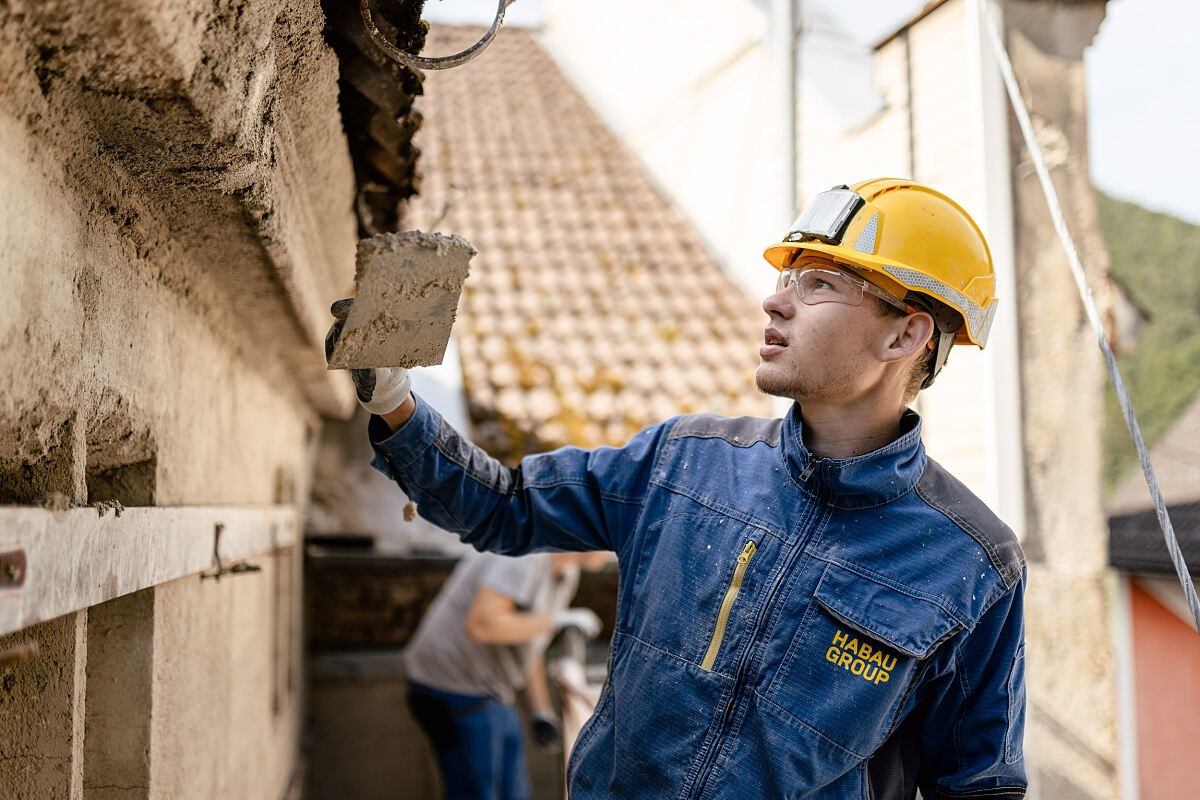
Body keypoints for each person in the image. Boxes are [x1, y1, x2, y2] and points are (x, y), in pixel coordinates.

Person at [327, 178, 1027, 799]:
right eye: (789, 279)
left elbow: (976, 785)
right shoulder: (681, 461)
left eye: (818, 284)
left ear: (906, 336)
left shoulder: (972, 562)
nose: (776, 302)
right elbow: (505, 510)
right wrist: (395, 401)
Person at [403, 548, 609, 800]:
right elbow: (481, 624)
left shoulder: (567, 573)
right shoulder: (527, 554)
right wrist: (556, 620)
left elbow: (527, 644)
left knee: (516, 793)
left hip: (493, 691)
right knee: (479, 793)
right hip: (454, 688)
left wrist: (540, 712)